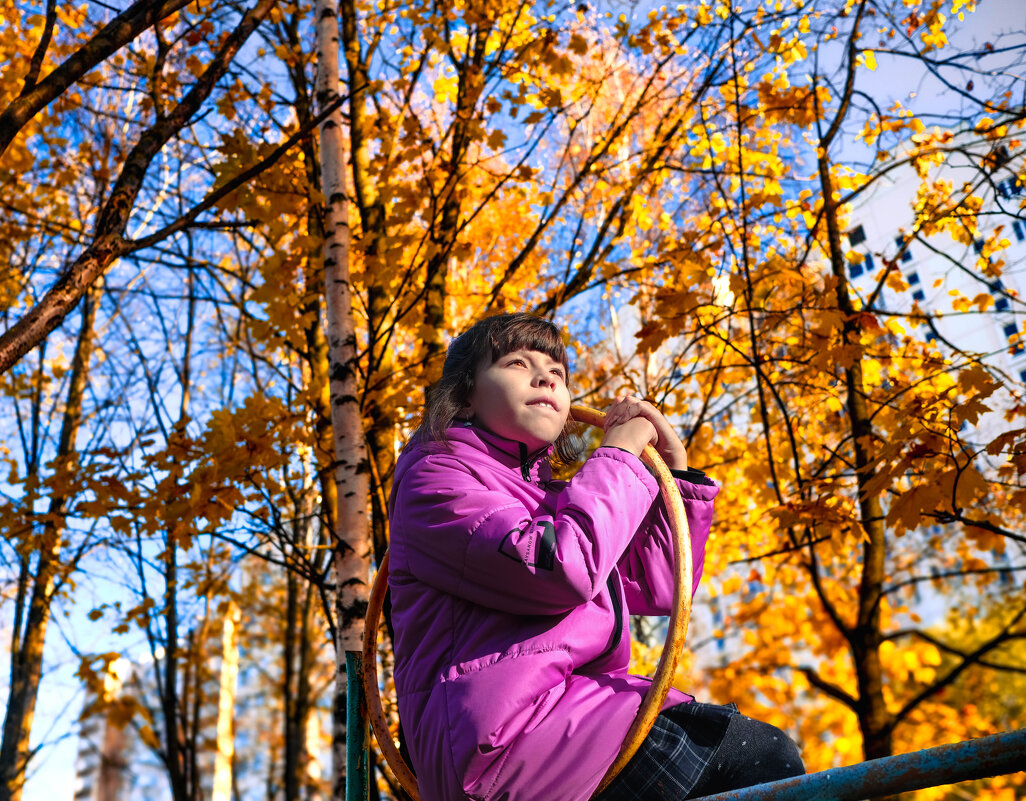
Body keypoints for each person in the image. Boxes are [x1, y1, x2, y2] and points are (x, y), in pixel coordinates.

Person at [387, 313, 803, 801]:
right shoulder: (435, 477)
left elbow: (657, 585)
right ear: (465, 395)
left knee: (761, 757)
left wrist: (675, 480)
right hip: (499, 738)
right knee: (752, 755)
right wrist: (620, 459)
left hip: (567, 710)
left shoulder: (552, 497)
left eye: (557, 372)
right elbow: (563, 568)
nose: (545, 376)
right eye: (518, 363)